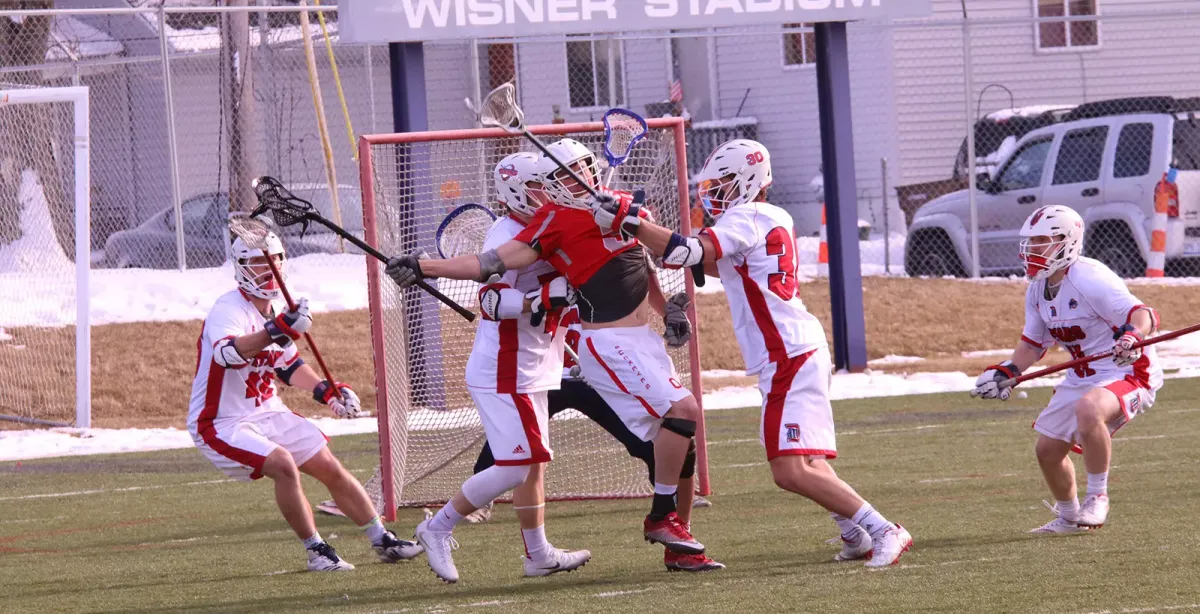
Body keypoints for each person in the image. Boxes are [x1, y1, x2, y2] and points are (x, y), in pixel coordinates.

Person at [385, 138, 719, 572]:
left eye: (582, 169)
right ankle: (660, 517)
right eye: (556, 179)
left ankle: (664, 540)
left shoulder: (617, 205)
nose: (574, 183)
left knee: (672, 442)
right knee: (674, 416)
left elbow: (647, 263)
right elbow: (488, 269)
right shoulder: (550, 222)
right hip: (547, 356)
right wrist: (427, 267)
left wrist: (664, 307)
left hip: (564, 356)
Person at [593, 138, 913, 567]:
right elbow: (696, 261)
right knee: (808, 461)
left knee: (789, 470)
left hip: (789, 355)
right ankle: (854, 533)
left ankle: (883, 528)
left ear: (749, 180)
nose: (713, 193)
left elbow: (688, 251)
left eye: (723, 182)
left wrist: (634, 224)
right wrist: (638, 229)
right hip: (795, 349)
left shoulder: (746, 217)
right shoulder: (768, 217)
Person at [407, 152, 592, 583]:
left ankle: (538, 554)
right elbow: (489, 302)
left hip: (535, 361)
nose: (552, 192)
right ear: (516, 191)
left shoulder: (547, 222)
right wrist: (545, 299)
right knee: (515, 465)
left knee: (533, 465)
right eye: (540, 186)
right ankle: (437, 527)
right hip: (507, 367)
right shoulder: (508, 232)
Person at [187, 230, 422, 572]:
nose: (270, 269)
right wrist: (275, 329)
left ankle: (382, 539)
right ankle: (317, 551)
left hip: (267, 411)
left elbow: (290, 366)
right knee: (283, 464)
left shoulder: (278, 311)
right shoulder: (229, 310)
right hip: (220, 422)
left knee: (329, 466)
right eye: (258, 263)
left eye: (276, 261)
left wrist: (328, 391)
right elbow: (226, 354)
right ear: (240, 268)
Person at [971, 205, 1162, 533]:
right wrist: (1006, 371)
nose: (1032, 250)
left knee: (1089, 409)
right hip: (1084, 374)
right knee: (1047, 450)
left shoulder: (1089, 277)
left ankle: (1097, 497)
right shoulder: (1037, 290)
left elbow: (1144, 314)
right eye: (1030, 242)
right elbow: (1033, 345)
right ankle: (1070, 517)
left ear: (1066, 241)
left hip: (1127, 371)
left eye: (1042, 241)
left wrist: (1132, 336)